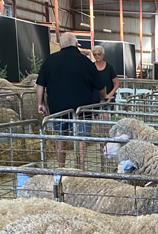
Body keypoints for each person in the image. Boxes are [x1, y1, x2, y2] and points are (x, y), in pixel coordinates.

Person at [36, 32, 106, 169]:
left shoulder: (50, 60)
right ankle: (80, 168)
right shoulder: (86, 62)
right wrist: (104, 97)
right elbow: (100, 85)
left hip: (58, 108)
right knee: (81, 138)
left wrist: (40, 103)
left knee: (60, 137)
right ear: (76, 44)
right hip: (82, 109)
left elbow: (40, 84)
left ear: (61, 45)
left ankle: (61, 168)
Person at [92, 45, 119, 113]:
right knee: (96, 117)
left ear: (102, 55)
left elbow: (117, 83)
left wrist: (110, 95)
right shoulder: (91, 67)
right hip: (95, 97)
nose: (97, 56)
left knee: (106, 116)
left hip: (107, 97)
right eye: (95, 54)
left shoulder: (109, 68)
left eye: (99, 54)